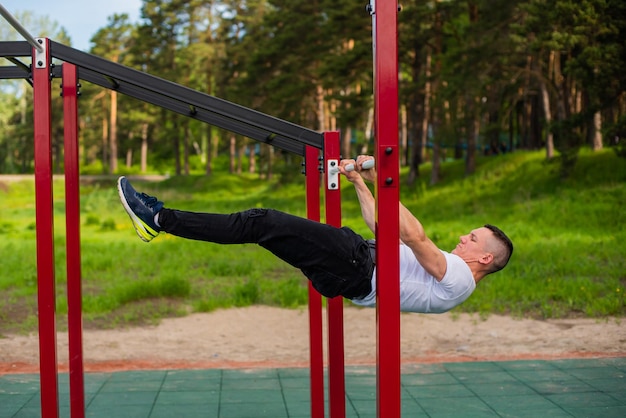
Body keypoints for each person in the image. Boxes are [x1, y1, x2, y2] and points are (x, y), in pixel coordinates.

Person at [117, 156, 513, 313]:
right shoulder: (449, 273)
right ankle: (160, 219)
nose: (464, 238)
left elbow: (414, 237)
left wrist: (386, 184)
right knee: (262, 227)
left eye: (473, 239)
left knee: (263, 221)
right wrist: (361, 182)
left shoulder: (460, 277)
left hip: (356, 265)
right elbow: (384, 228)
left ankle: (158, 217)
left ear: (486, 259)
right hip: (351, 270)